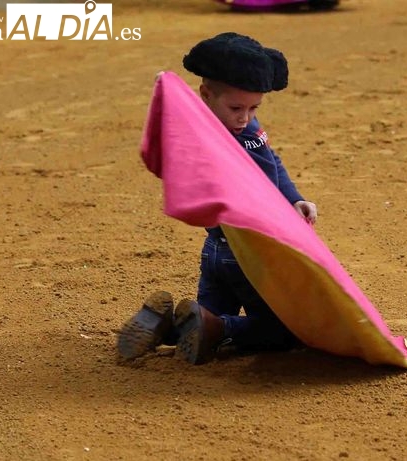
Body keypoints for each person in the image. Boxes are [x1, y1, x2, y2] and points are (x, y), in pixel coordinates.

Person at [117, 32, 318, 365]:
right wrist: (169, 95)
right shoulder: (207, 132)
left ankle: (167, 326)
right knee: (283, 330)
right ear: (206, 96)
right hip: (250, 253)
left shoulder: (245, 126)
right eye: (236, 107)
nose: (245, 117)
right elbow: (175, 132)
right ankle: (218, 327)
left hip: (216, 253)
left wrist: (294, 198)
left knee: (200, 331)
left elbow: (272, 161)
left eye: (254, 108)